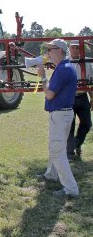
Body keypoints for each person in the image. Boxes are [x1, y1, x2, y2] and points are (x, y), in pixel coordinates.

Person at [37, 39, 79, 198]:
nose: (48, 53)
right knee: (55, 146)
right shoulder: (66, 67)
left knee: (57, 151)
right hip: (63, 114)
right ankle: (51, 174)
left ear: (59, 51)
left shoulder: (62, 70)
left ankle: (71, 189)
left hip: (60, 115)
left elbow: (49, 94)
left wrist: (42, 77)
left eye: (50, 49)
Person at [66, 40, 93, 161]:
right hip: (69, 97)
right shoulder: (65, 62)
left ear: (81, 49)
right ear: (69, 49)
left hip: (83, 97)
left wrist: (92, 97)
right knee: (69, 126)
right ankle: (70, 152)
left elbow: (90, 82)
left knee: (87, 124)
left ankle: (77, 143)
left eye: (78, 48)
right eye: (73, 48)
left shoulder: (87, 62)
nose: (76, 50)